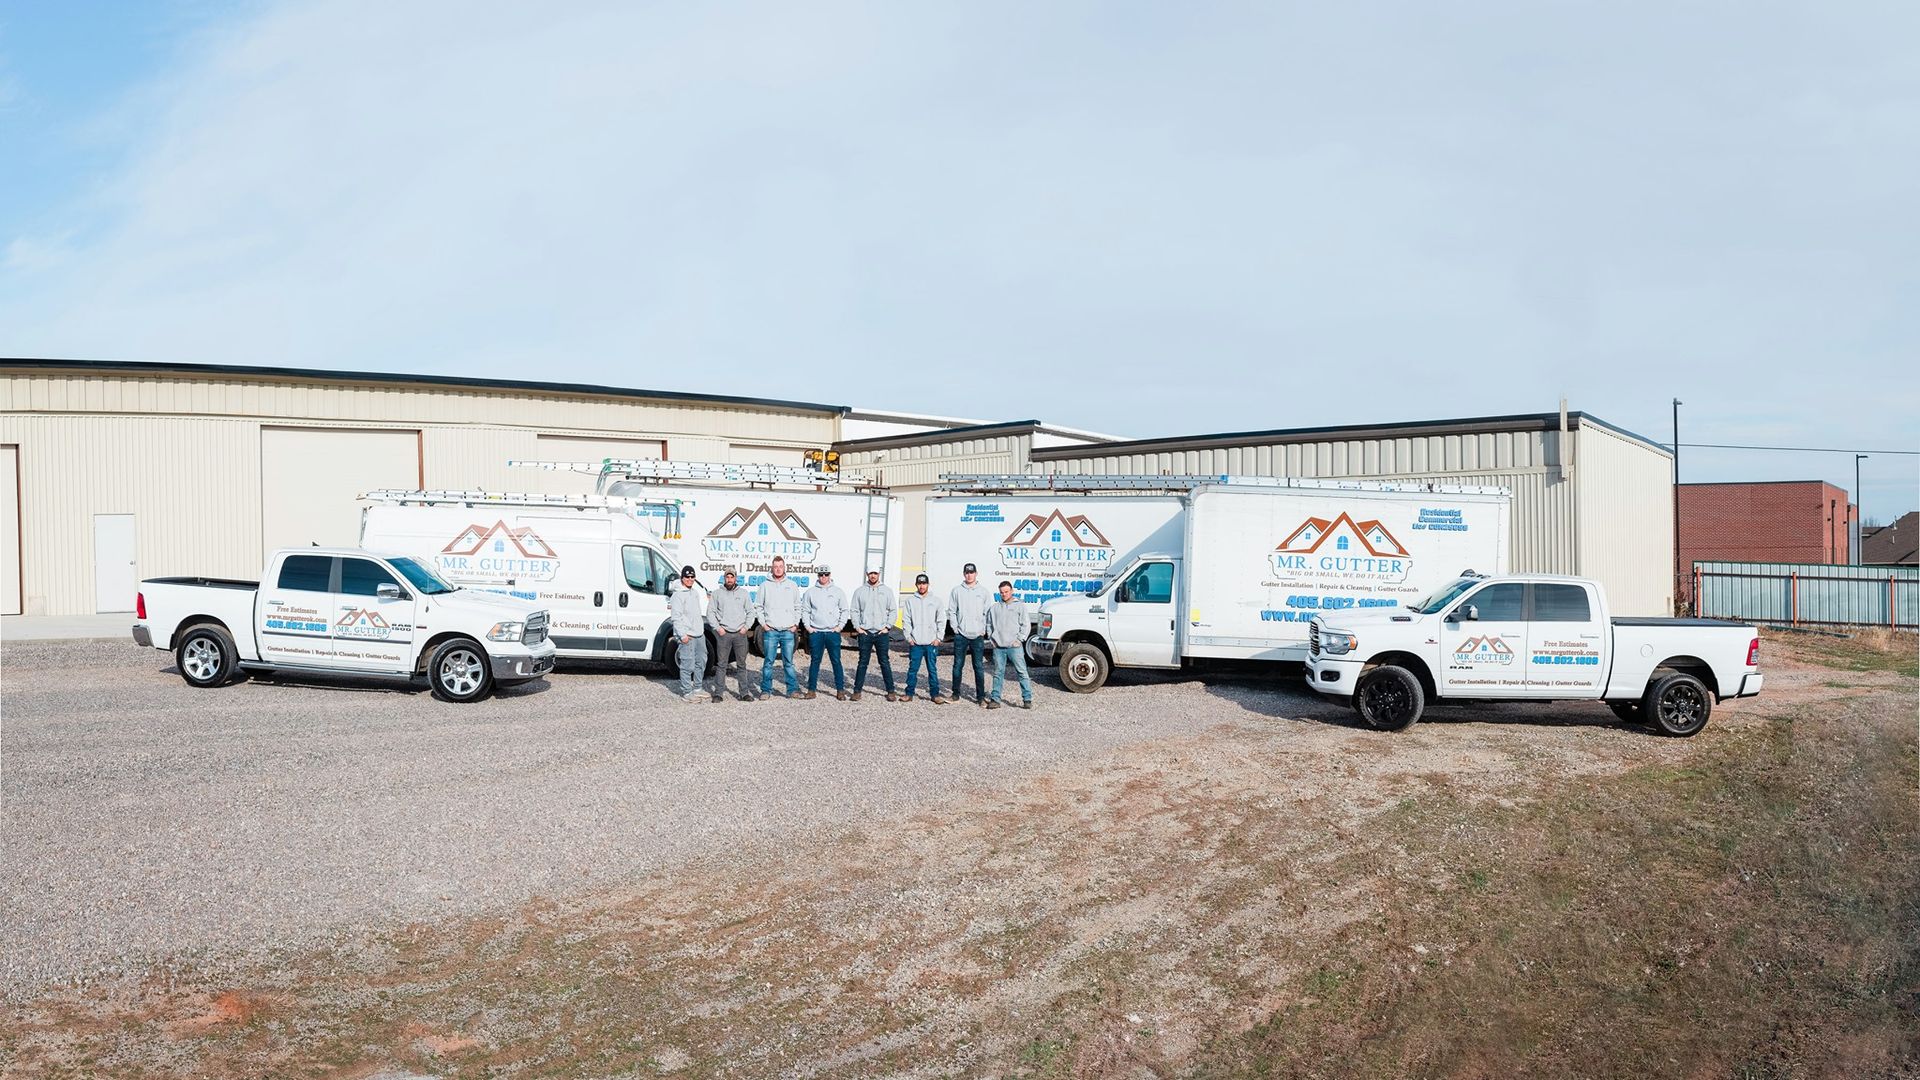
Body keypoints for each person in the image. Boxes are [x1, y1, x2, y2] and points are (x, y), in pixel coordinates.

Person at [707, 568, 757, 701]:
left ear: (736, 578)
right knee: (721, 664)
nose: (729, 580)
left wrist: (746, 627)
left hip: (740, 634)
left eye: (732, 577)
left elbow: (751, 612)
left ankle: (744, 693)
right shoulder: (717, 594)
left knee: (741, 664)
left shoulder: (743, 593)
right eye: (727, 577)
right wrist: (718, 628)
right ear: (724, 578)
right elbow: (710, 613)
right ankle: (718, 693)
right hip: (724, 634)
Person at [946, 561, 992, 705]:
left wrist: (983, 630)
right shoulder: (956, 591)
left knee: (978, 666)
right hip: (961, 635)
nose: (969, 575)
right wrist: (955, 628)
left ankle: (980, 697)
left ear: (976, 574)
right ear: (964, 574)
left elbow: (987, 613)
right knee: (957, 665)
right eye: (967, 572)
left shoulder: (983, 592)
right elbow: (952, 611)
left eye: (972, 572)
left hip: (977, 635)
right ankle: (955, 694)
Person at [850, 567, 899, 701]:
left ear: (879, 574)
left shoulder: (886, 591)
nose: (873, 576)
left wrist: (887, 627)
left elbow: (893, 610)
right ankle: (857, 691)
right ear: (867, 574)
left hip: (881, 633)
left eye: (875, 573)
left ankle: (890, 691)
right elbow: (854, 610)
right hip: (865, 633)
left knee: (884, 662)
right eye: (871, 573)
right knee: (862, 663)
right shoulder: (859, 591)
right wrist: (858, 627)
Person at [757, 555, 801, 698]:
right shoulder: (765, 585)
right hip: (771, 631)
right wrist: (764, 624)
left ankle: (792, 690)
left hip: (788, 631)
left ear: (784, 567)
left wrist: (795, 624)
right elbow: (758, 606)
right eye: (775, 567)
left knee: (788, 663)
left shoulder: (792, 585)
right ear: (772, 568)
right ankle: (766, 690)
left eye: (780, 566)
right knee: (768, 662)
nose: (778, 569)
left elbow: (798, 606)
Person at [802, 566, 849, 700]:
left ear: (830, 575)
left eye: (826, 574)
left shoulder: (838, 592)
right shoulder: (810, 592)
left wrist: (840, 627)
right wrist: (808, 627)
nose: (823, 577)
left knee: (836, 661)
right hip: (816, 632)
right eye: (821, 574)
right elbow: (805, 610)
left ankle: (840, 690)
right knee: (815, 661)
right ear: (818, 576)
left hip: (832, 632)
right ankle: (811, 690)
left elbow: (844, 610)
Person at [986, 580, 1033, 710]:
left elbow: (1026, 624)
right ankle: (995, 699)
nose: (1004, 594)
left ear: (1011, 591)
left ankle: (1027, 699)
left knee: (1022, 672)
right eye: (1002, 592)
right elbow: (988, 625)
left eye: (1006, 592)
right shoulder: (994, 608)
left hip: (1015, 647)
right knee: (998, 673)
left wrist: (1020, 639)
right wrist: (992, 639)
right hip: (999, 647)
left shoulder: (1020, 606)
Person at [900, 573, 946, 703]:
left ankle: (935, 694)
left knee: (932, 669)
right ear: (916, 585)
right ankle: (909, 693)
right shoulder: (910, 601)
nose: (922, 586)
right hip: (916, 643)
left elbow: (941, 620)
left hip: (931, 642)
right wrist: (909, 638)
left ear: (928, 584)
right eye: (919, 583)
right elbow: (906, 620)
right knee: (913, 669)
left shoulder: (936, 601)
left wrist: (938, 638)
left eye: (924, 583)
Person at [668, 565, 708, 702]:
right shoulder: (677, 595)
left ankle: (697, 688)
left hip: (699, 634)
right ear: (682, 578)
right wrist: (683, 635)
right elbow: (676, 617)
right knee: (687, 664)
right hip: (687, 636)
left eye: (692, 577)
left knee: (701, 662)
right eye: (687, 577)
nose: (690, 579)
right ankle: (687, 692)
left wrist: (701, 631)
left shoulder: (695, 593)